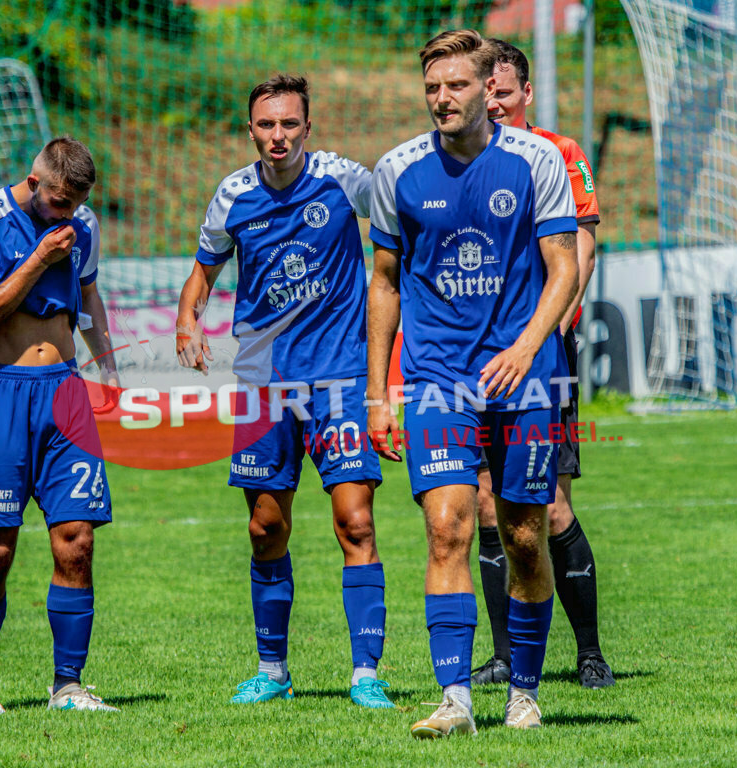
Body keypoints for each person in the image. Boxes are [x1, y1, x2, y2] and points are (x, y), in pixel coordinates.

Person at [368, 30, 579, 736]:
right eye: (431, 88)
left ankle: (524, 691)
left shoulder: (535, 160)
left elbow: (565, 269)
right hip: (437, 378)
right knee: (447, 526)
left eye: (455, 86)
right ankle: (455, 699)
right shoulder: (396, 171)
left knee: (523, 534)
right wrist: (379, 389)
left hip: (526, 378)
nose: (441, 99)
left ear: (488, 89)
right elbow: (385, 284)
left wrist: (526, 346)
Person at [176, 75, 392, 709]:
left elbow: (404, 218)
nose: (278, 136)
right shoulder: (231, 196)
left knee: (355, 521)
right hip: (263, 385)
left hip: (341, 379)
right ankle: (272, 670)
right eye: (266, 126)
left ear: (308, 127)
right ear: (251, 130)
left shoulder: (342, 180)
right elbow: (203, 270)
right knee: (265, 527)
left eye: (289, 124)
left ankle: (366, 675)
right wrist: (188, 319)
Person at [0, 137, 121, 714]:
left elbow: (90, 296)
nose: (65, 215)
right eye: (56, 202)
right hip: (1, 393)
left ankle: (68, 687)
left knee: (77, 542)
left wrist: (108, 370)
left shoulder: (84, 224)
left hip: (67, 395)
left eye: (74, 205)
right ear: (33, 180)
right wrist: (40, 258)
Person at [470, 38, 614, 690]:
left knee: (549, 505)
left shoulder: (562, 154)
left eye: (503, 92)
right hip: (475, 363)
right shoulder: (463, 159)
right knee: (482, 505)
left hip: (541, 358)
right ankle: (505, 655)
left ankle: (588, 652)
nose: (493, 104)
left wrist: (542, 337)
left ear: (525, 93)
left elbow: (580, 253)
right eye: (486, 92)